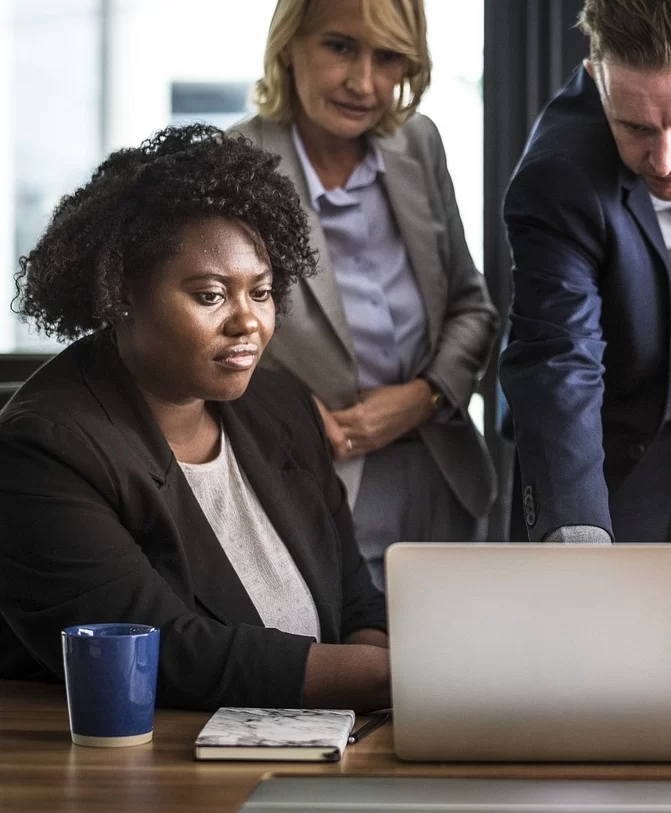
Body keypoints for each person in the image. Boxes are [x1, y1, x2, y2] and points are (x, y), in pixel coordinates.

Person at [0, 124, 390, 712]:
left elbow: (356, 603)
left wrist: (382, 702)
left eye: (260, 292)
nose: (248, 322)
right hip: (144, 769)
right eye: (211, 295)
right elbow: (168, 655)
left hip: (324, 748)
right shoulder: (43, 451)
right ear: (122, 294)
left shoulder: (280, 407)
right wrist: (390, 679)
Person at [233, 0, 498, 583]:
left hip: (446, 480)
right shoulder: (236, 165)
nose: (363, 82)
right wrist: (294, 412)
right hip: (312, 484)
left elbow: (470, 305)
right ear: (288, 44)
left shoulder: (419, 144)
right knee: (360, 669)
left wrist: (425, 395)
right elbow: (205, 343)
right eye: (340, 46)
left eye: (389, 57)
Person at [501, 0, 671, 544]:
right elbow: (557, 357)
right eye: (635, 127)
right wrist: (575, 527)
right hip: (609, 453)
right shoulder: (558, 177)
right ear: (596, 80)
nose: (665, 160)